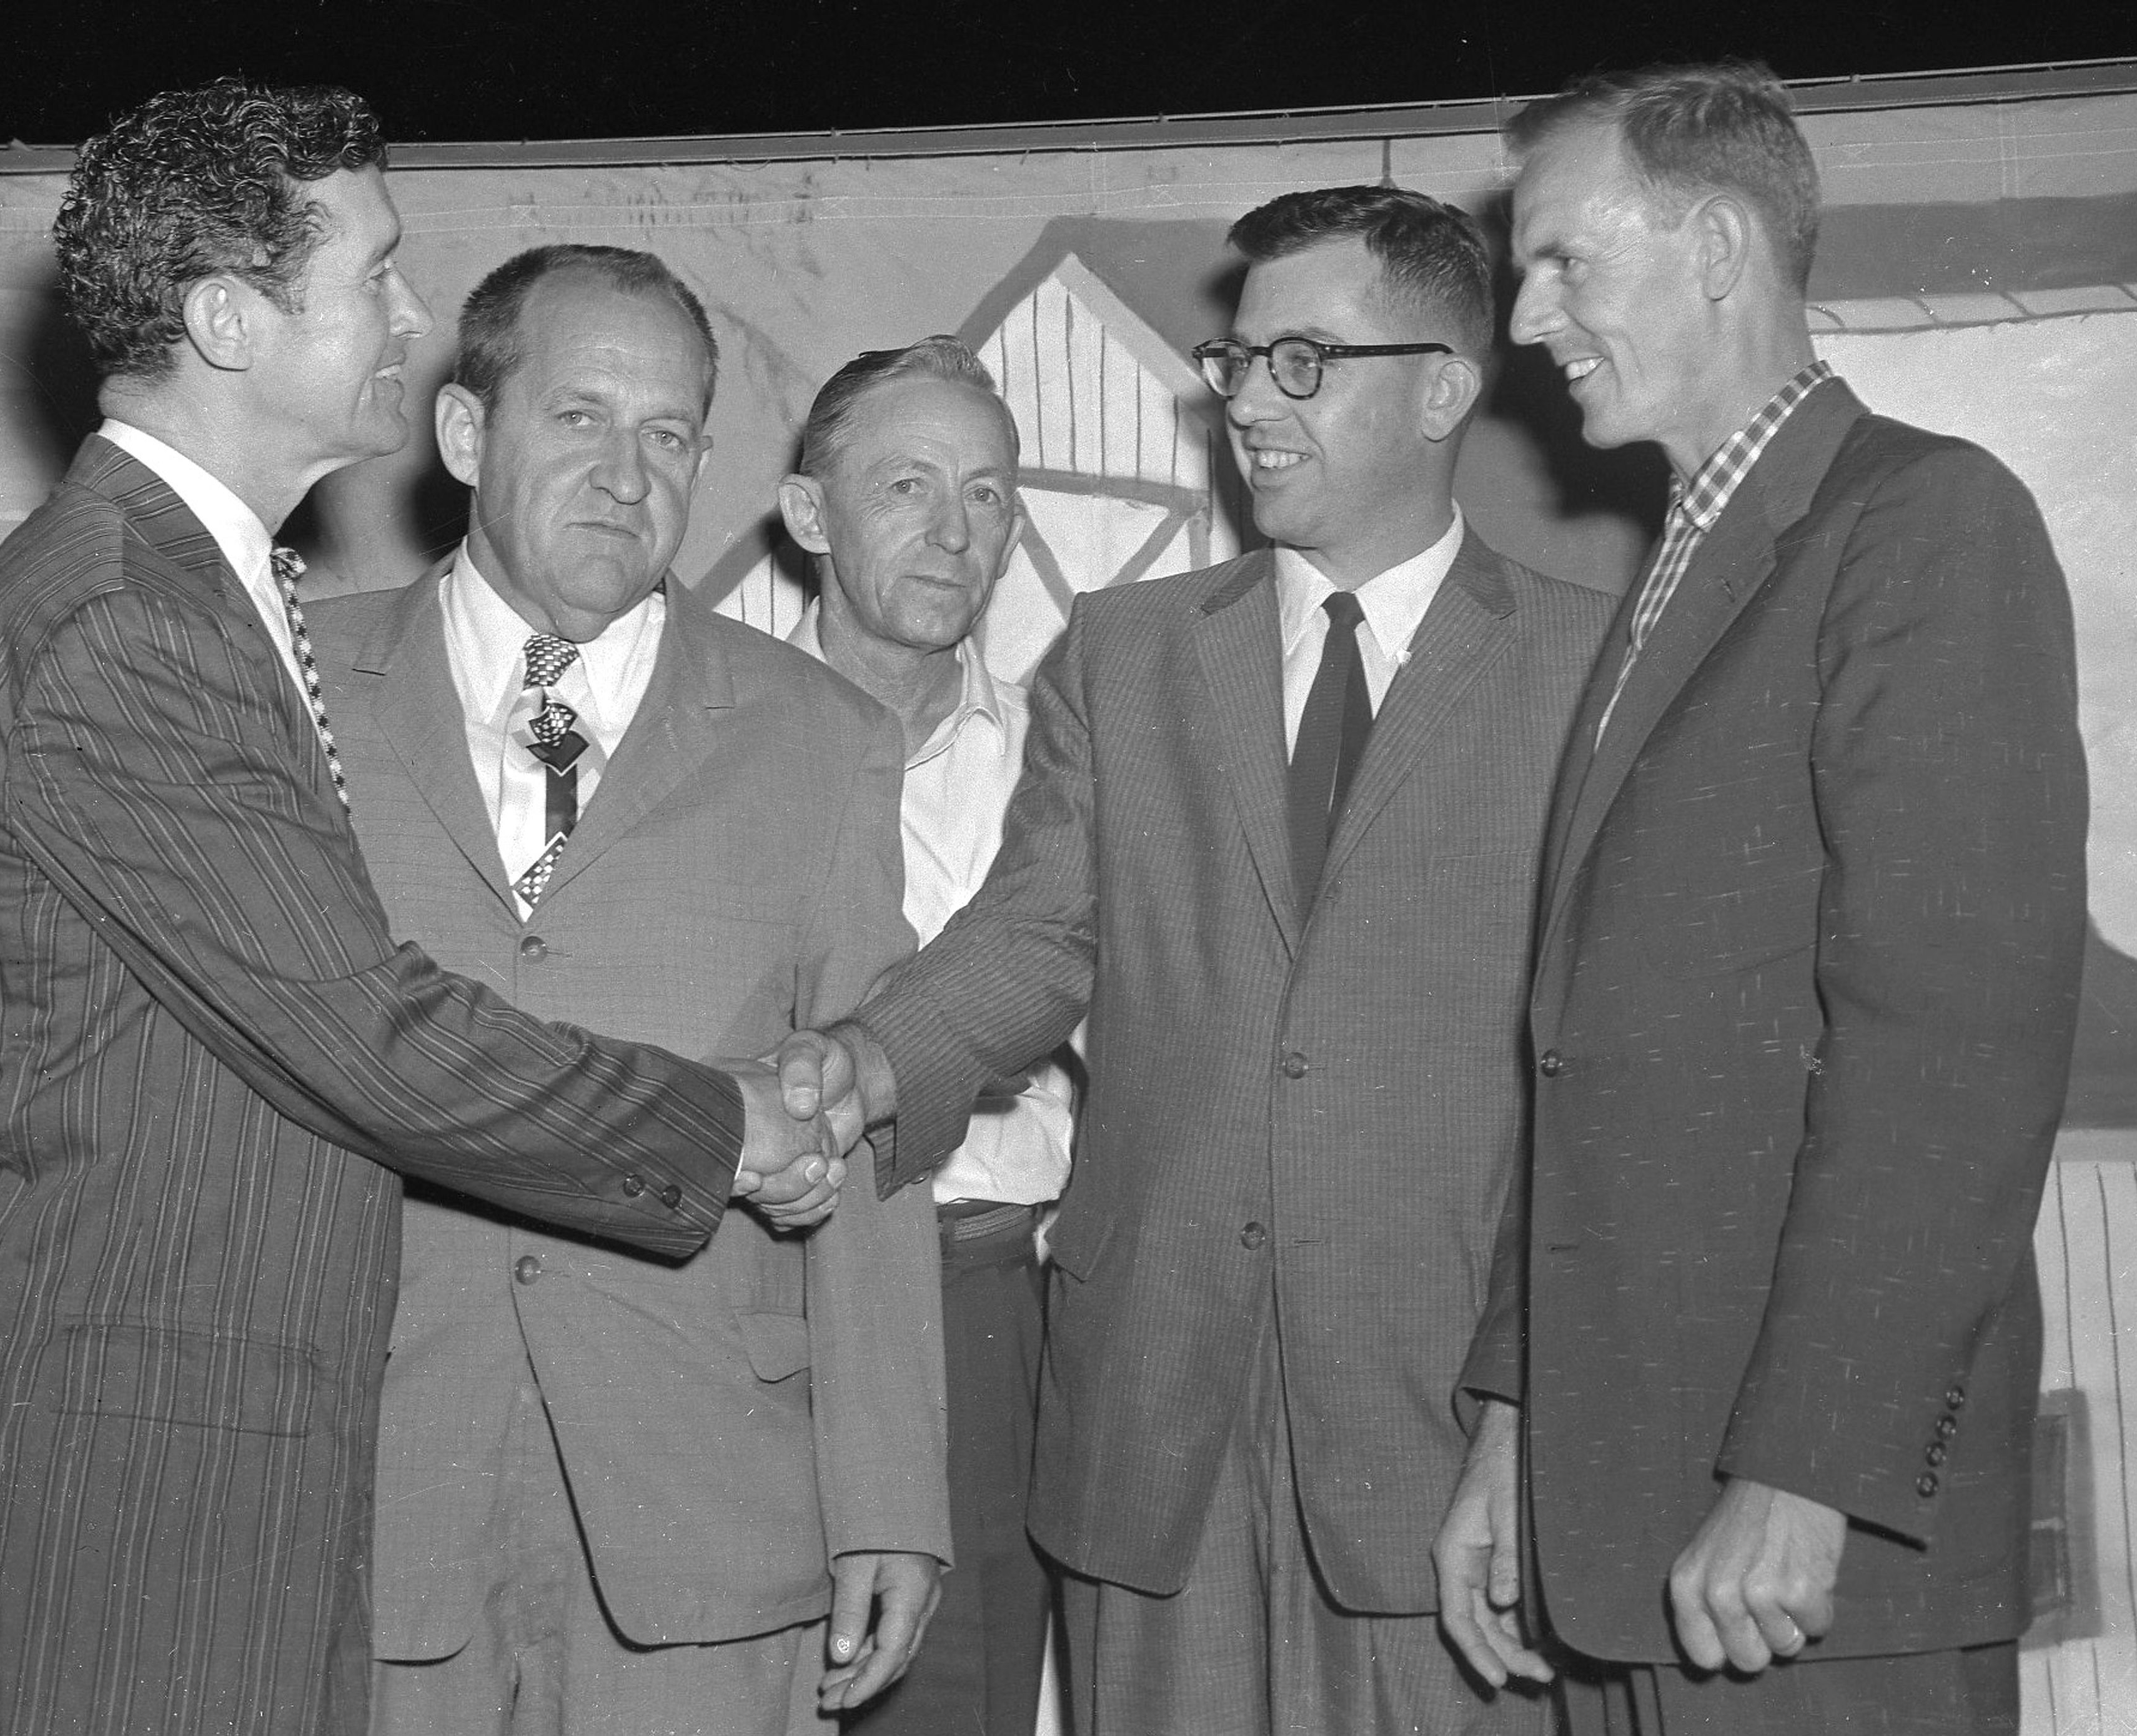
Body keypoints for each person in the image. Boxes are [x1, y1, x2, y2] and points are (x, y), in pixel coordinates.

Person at [0, 84, 842, 1736]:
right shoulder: (124, 626)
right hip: (112, 1525)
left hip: (182, 1490)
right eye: (373, 275)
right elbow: (368, 1027)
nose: (412, 319)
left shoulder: (193, 584)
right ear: (226, 319)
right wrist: (731, 1128)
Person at [780, 187, 1614, 1732]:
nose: (1250, 403)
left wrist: (1529, 1396)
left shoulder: (1593, 667)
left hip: (1447, 1446)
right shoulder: (1127, 646)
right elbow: (1033, 936)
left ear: (1443, 387)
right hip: (1156, 1435)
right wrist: (865, 1061)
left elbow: (1611, 1086)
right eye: (1240, 360)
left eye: (1308, 361)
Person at [1434, 62, 2088, 1735]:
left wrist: (1813, 1468)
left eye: (1566, 259)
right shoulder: (1677, 569)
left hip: (1793, 1560)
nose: (1528, 315)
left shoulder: (1924, 526)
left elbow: (1955, 1050)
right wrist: (1519, 1419)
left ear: (1718, 245)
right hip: (1629, 1523)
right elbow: (1584, 1061)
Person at [305, 244, 948, 1736]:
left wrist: (889, 1501)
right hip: (369, 1493)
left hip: (709, 1523)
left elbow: (869, 1124)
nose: (625, 474)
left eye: (668, 436)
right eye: (580, 417)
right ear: (468, 434)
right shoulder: (294, 692)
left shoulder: (822, 739)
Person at [774, 335, 1076, 1735]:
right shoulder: (680, 740)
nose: (958, 533)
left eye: (990, 492)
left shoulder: (1064, 774)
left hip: (977, 1308)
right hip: (738, 1297)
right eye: (906, 485)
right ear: (810, 514)